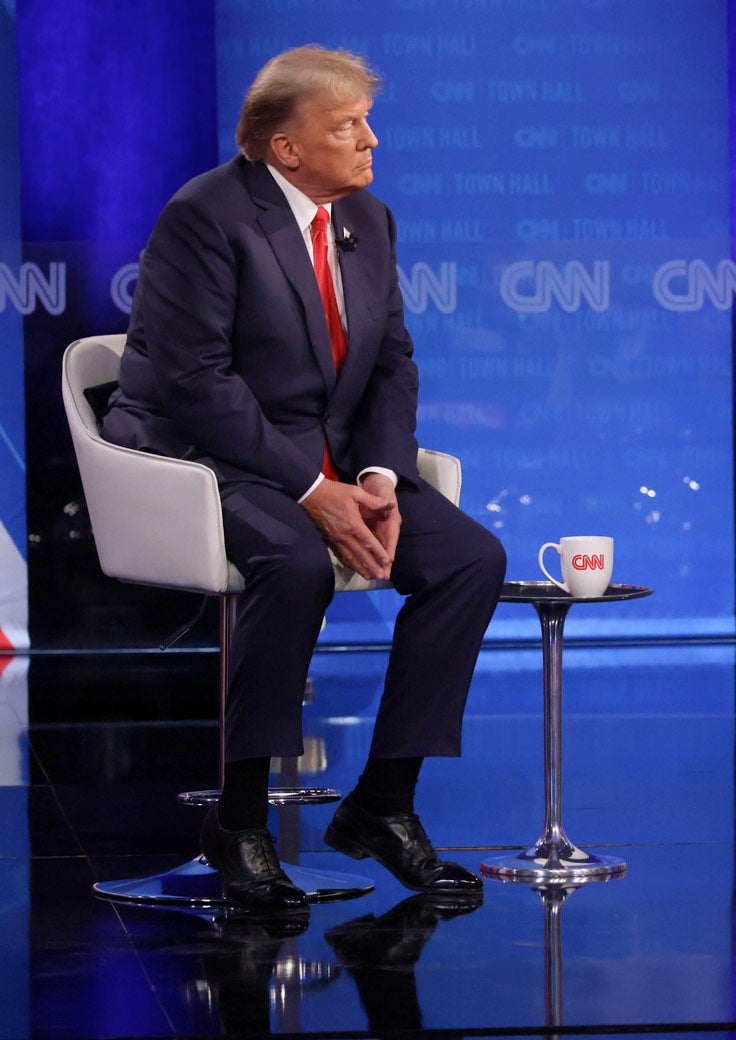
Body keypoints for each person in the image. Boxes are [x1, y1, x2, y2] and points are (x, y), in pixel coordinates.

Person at [103, 46, 507, 912]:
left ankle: (383, 804)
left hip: (329, 461)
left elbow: (391, 364)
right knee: (290, 562)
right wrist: (310, 490)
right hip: (206, 457)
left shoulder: (368, 218)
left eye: (366, 121)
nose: (370, 141)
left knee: (472, 558)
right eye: (347, 126)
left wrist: (379, 477)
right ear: (286, 148)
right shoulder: (205, 217)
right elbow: (193, 384)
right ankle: (239, 823)